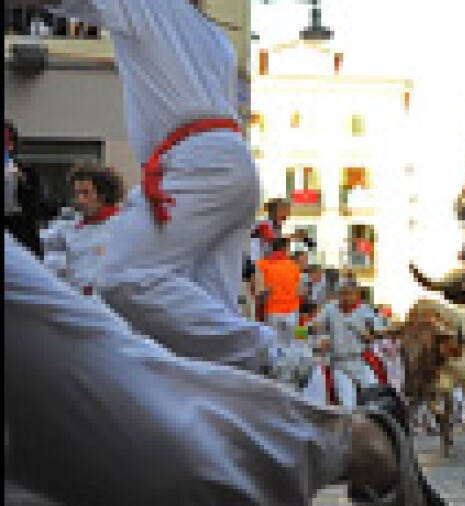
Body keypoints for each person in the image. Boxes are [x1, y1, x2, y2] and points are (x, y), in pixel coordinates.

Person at [6, 232, 453, 506]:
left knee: (148, 469)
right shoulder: (330, 311)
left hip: (350, 361)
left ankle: (362, 443)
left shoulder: (360, 314)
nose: (348, 297)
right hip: (320, 352)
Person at [23, 0, 277, 373]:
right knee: (210, 328)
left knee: (124, 277)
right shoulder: (213, 36)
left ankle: (271, 356)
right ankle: (256, 396)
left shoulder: (147, 4)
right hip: (231, 162)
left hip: (194, 162)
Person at [45, 164, 124, 296]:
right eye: (77, 193)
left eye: (86, 193)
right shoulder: (65, 228)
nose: (80, 200)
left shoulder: (124, 225)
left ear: (103, 195)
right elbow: (50, 264)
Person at [4, 119, 55, 258]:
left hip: (21, 239)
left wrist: (24, 183)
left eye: (8, 143)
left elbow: (42, 207)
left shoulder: (26, 173)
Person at [255, 236, 302, 349]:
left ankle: (277, 365)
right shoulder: (294, 267)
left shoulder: (262, 265)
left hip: (272, 310)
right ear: (285, 249)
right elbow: (299, 290)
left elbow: (258, 289)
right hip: (292, 310)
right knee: (295, 344)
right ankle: (295, 363)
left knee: (274, 345)